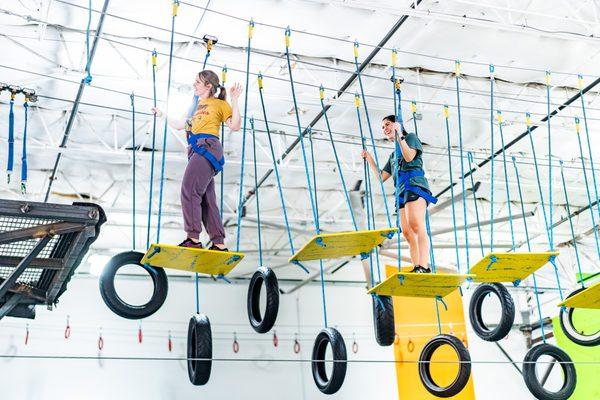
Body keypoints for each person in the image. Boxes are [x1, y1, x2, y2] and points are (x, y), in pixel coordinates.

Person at [153, 70, 242, 250]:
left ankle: (193, 238)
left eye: (197, 83)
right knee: (207, 198)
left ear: (208, 86)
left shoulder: (219, 104)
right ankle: (218, 242)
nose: (194, 85)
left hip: (207, 146)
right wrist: (162, 114)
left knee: (189, 190)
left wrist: (235, 100)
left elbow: (235, 125)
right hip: (195, 150)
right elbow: (179, 125)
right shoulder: (194, 106)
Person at [361, 115, 436, 273]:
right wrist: (370, 159)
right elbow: (381, 177)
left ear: (396, 125)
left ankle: (424, 265)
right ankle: (417, 266)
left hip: (415, 185)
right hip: (401, 191)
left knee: (416, 224)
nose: (385, 129)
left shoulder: (410, 138)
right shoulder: (393, 155)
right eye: (383, 127)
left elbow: (409, 156)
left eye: (387, 124)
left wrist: (399, 134)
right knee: (407, 232)